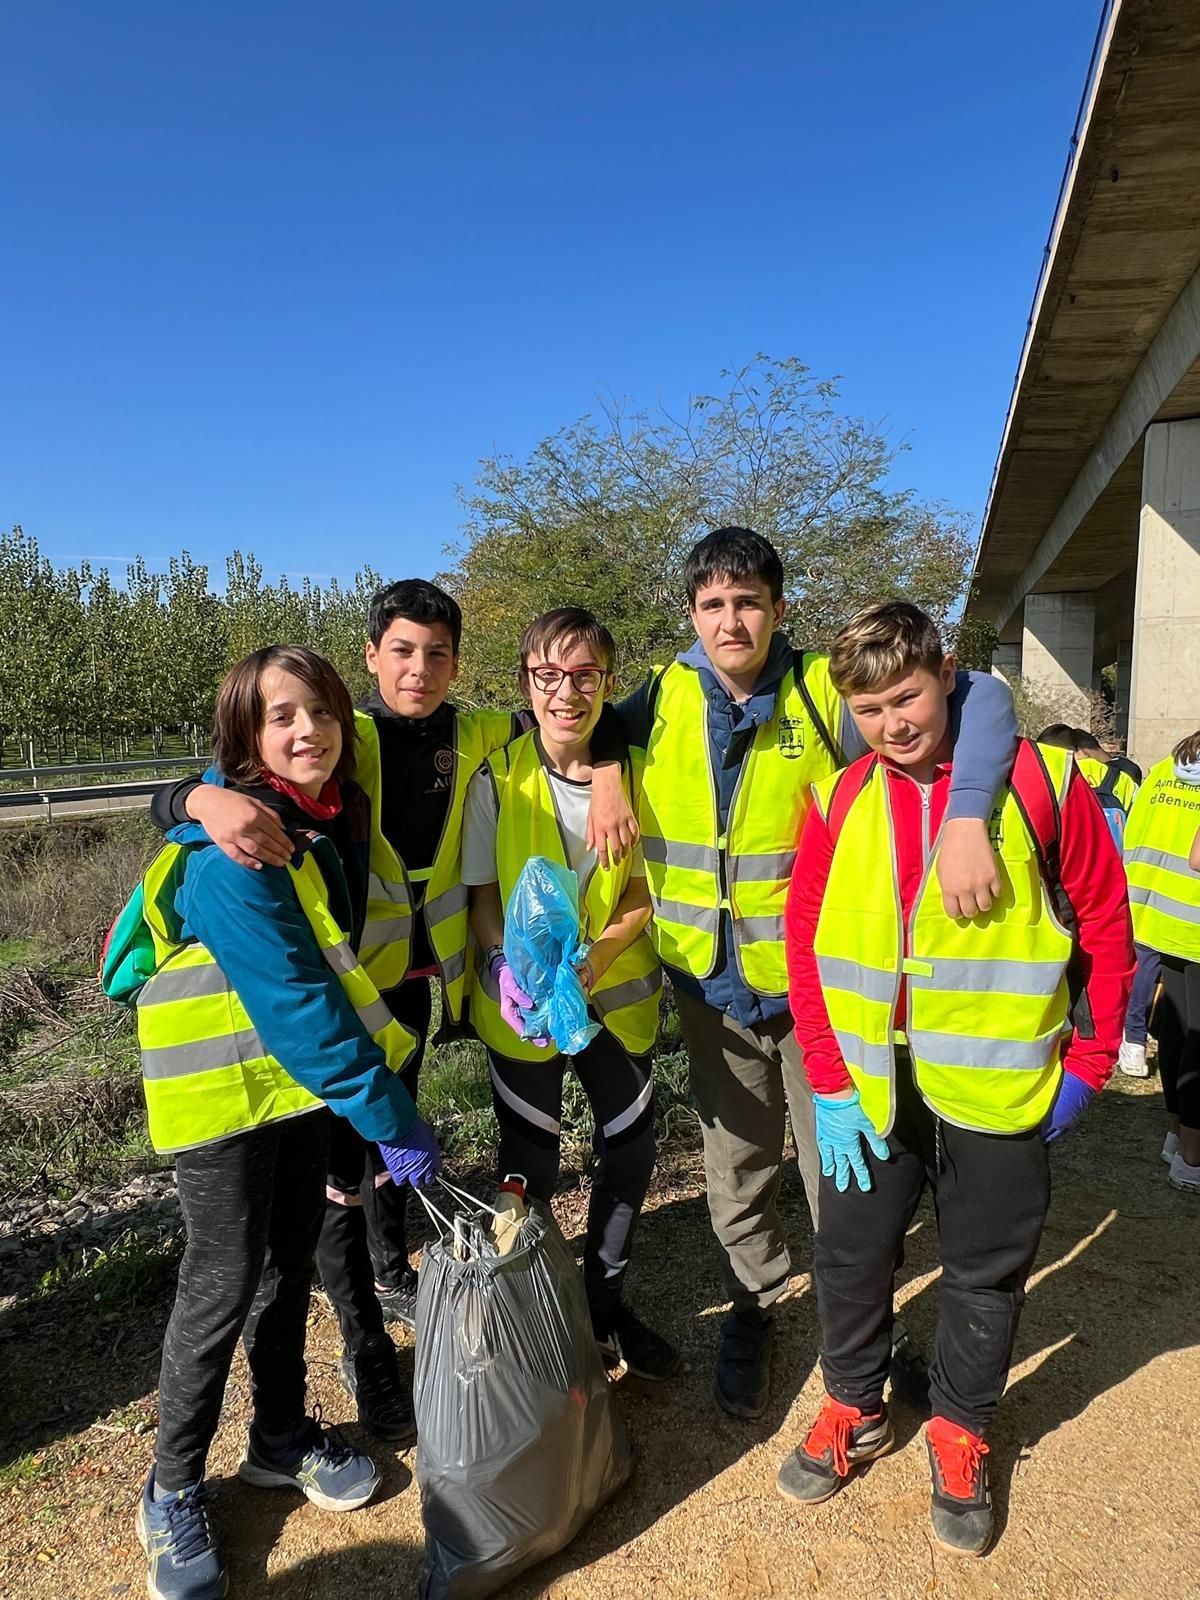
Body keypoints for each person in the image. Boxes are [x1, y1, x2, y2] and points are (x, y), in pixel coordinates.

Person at [148, 581, 635, 1440]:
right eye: (402, 652)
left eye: (439, 653)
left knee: (375, 1166)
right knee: (342, 1177)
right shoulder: (345, 734)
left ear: (458, 660)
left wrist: (609, 775)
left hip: (414, 990)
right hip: (343, 992)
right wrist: (195, 799)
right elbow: (228, 774)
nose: (421, 670)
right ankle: (366, 1352)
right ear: (370, 659)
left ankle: (389, 1273)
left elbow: (580, 712)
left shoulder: (477, 728)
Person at [611, 527, 1019, 1419]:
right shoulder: (665, 697)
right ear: (690, 613)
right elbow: (574, 731)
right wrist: (608, 772)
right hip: (707, 988)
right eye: (713, 604)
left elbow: (981, 695)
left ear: (779, 609)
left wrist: (967, 815)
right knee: (738, 1161)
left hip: (818, 995)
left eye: (748, 601)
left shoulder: (819, 694)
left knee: (848, 1168)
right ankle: (756, 1303)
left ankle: (869, 1318)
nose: (731, 619)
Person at [779, 603, 1132, 1557]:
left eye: (907, 697)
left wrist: (1089, 1068)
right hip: (868, 1091)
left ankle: (962, 1426)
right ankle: (854, 1406)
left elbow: (1105, 929)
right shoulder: (837, 798)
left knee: (984, 1270)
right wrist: (829, 1080)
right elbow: (804, 951)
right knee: (850, 1257)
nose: (892, 724)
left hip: (998, 1085)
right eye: (867, 707)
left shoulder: (1045, 783)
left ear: (946, 674)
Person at [116, 646, 443, 1600]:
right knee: (222, 1282)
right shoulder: (231, 848)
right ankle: (171, 1486)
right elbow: (301, 1005)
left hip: (291, 1092)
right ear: (246, 736)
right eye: (282, 717)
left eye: (323, 713)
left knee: (289, 1265)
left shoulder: (312, 820)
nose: (310, 732)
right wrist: (394, 1118)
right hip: (222, 1099)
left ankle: (278, 1436)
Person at [463, 607, 678, 1380]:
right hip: (521, 1007)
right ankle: (535, 1322)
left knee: (631, 1145)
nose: (566, 692)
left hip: (610, 998)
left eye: (584, 675)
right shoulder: (499, 774)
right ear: (526, 682)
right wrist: (499, 965)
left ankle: (606, 1310)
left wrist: (594, 960)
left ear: (608, 683)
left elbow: (654, 891)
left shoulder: (642, 775)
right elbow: (483, 893)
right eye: (548, 676)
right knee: (529, 1162)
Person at [1038, 724, 1156, 1076]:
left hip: (1061, 889)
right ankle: (1119, 1040)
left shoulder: (1046, 779)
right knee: (1116, 968)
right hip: (1116, 888)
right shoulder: (1121, 781)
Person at [1123, 732, 1200, 1189]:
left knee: (1177, 1028)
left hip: (1158, 909)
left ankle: (1177, 1136)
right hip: (1193, 915)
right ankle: (1192, 1155)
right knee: (1195, 1036)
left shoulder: (1164, 769)